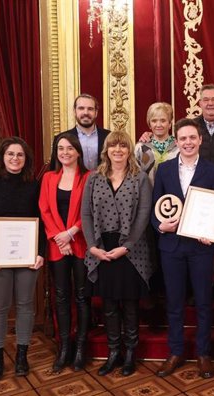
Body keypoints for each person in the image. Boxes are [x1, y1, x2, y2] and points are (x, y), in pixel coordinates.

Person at [152, 118, 214, 379]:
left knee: (204, 302)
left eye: (192, 137)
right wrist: (161, 226)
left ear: (200, 140)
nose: (188, 142)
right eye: (183, 138)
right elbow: (154, 209)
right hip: (171, 247)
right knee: (174, 302)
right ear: (177, 141)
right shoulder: (164, 170)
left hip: (201, 247)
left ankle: (204, 354)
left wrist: (212, 233)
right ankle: (176, 351)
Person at [81, 131, 154, 377]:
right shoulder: (93, 178)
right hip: (101, 246)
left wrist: (127, 246)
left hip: (131, 250)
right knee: (110, 304)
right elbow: (86, 214)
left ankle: (130, 353)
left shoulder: (140, 178)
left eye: (123, 145)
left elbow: (144, 215)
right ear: (106, 150)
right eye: (114, 145)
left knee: (130, 303)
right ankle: (114, 352)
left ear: (129, 149)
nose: (118, 150)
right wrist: (92, 246)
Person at [0, 137, 45, 380]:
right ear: (1, 157)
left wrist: (40, 253)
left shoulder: (35, 186)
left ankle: (21, 357)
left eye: (20, 155)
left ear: (26, 159)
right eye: (10, 154)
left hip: (28, 258)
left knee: (26, 306)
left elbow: (43, 221)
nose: (15, 158)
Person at [39, 133, 91, 372]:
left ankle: (81, 347)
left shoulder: (89, 177)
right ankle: (64, 347)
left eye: (70, 148)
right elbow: (45, 209)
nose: (65, 153)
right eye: (60, 148)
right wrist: (60, 238)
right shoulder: (49, 178)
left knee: (81, 296)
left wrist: (70, 234)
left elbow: (89, 212)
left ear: (78, 151)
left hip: (80, 243)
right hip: (57, 246)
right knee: (61, 296)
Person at [49, 94, 111, 171]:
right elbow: (55, 169)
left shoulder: (109, 136)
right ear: (75, 111)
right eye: (81, 108)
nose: (86, 112)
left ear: (96, 112)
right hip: (73, 182)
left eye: (90, 109)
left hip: (103, 182)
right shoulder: (61, 138)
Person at [134, 102, 178, 184]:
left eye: (163, 120)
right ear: (149, 124)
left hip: (173, 195)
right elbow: (135, 176)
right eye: (154, 121)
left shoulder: (179, 146)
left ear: (170, 123)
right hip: (147, 194)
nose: (158, 125)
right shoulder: (140, 147)